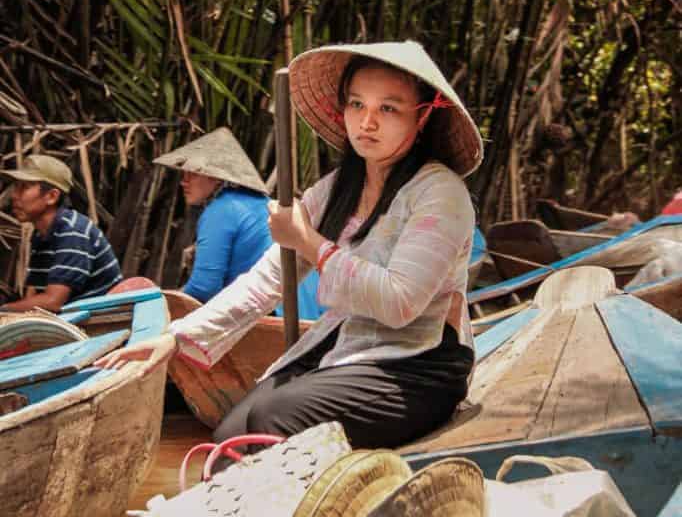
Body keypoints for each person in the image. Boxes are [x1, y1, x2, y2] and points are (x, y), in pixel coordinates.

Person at [97, 41, 483, 450]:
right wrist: (175, 337)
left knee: (272, 418)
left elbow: (399, 301)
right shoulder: (336, 190)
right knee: (230, 434)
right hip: (349, 347)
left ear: (422, 117)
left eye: (388, 109)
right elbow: (265, 281)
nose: (367, 122)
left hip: (420, 365)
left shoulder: (440, 192)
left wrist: (307, 240)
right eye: (356, 105)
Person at [155, 128, 273, 303]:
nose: (184, 181)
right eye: (184, 173)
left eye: (193, 173)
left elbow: (203, 289)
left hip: (273, 313)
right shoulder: (262, 202)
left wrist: (164, 303)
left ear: (217, 178)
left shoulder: (222, 210)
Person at [1, 154, 122, 312]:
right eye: (16, 187)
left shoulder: (73, 231)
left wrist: (4, 310)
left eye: (24, 187)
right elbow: (34, 294)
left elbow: (52, 302)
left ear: (51, 196)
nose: (14, 195)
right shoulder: (41, 234)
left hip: (100, 320)